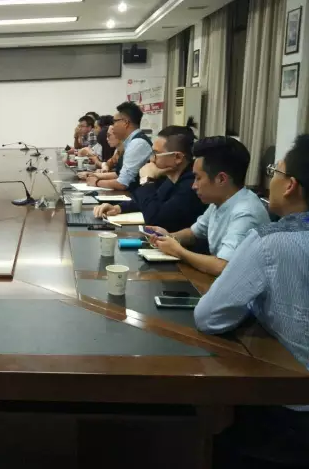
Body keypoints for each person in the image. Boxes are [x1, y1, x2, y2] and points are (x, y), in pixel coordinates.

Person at [195, 134, 309, 466]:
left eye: (275, 171)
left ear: (290, 186)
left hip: (291, 408)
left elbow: (210, 318)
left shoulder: (270, 242)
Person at [147, 136, 270, 276]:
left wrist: (179, 251)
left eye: (198, 178)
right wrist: (168, 237)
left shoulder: (245, 213)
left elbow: (222, 266)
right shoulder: (220, 200)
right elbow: (194, 233)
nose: (194, 186)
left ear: (221, 179)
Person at [94, 127, 207, 233]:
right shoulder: (170, 177)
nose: (151, 159)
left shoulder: (191, 184)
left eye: (156, 153)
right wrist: (119, 208)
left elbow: (156, 219)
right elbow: (149, 200)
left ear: (177, 157)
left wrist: (146, 181)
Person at [88, 102, 153, 190]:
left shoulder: (137, 143)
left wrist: (96, 182)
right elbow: (120, 174)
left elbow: (123, 183)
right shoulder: (130, 142)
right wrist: (96, 176)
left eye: (114, 122)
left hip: (136, 194)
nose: (112, 126)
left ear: (125, 122)